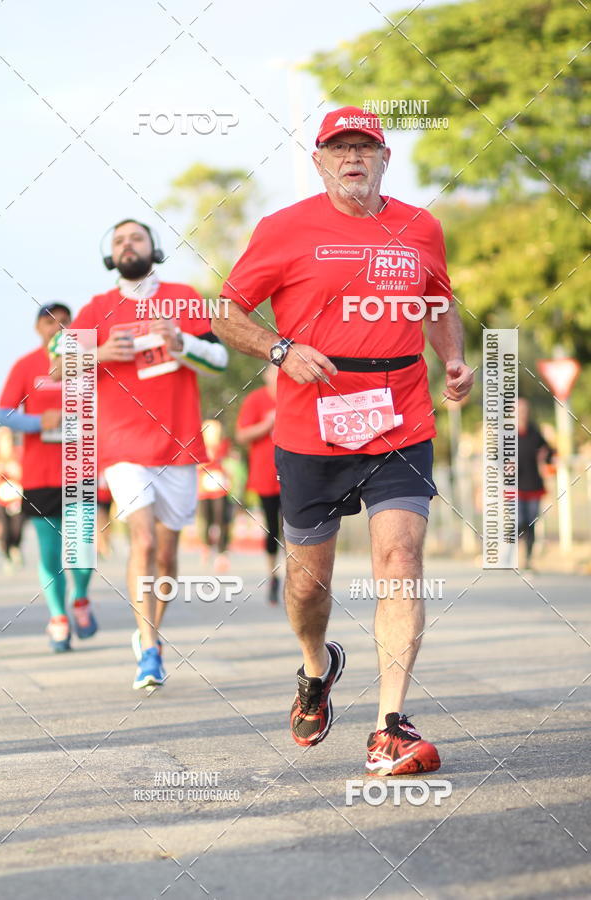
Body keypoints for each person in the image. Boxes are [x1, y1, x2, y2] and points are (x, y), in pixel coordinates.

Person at [214, 106, 474, 774]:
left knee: (400, 557)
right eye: (340, 147)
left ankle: (391, 724)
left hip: (401, 414)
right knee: (308, 588)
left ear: (386, 159)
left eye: (366, 147)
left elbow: (438, 302)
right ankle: (316, 665)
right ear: (320, 161)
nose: (353, 156)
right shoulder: (285, 228)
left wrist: (451, 358)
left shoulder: (421, 226)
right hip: (313, 421)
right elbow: (227, 313)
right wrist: (279, 349)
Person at [50, 219, 228, 689]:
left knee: (167, 558)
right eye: (119, 241)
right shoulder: (96, 309)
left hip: (179, 445)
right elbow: (58, 366)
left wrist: (181, 341)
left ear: (153, 248)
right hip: (124, 444)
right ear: (112, 256)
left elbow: (220, 360)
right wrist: (101, 351)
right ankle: (148, 650)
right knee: (144, 541)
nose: (128, 245)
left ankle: (152, 633)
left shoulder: (184, 297)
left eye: (137, 237)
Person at [0, 304, 97, 651]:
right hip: (40, 474)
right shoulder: (25, 365)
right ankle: (58, 617)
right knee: (50, 553)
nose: (58, 326)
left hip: (81, 468)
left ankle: (80, 598)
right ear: (38, 327)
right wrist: (41, 423)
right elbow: (4, 413)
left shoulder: (89, 361)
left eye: (65, 321)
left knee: (82, 550)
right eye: (49, 321)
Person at [236, 364, 281, 605]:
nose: (277, 375)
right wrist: (266, 424)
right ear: (265, 374)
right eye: (273, 371)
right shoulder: (255, 400)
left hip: (294, 474)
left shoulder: (294, 396)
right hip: (265, 474)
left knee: (297, 528)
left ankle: (298, 576)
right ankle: (273, 575)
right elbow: (241, 435)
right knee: (273, 528)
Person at [517, 397, 554, 571]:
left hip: (533, 484)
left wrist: (545, 456)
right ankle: (508, 551)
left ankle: (528, 559)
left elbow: (550, 451)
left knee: (531, 523)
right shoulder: (506, 434)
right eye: (519, 410)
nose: (523, 413)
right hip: (514, 486)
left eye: (525, 410)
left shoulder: (535, 431)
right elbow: (495, 457)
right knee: (519, 521)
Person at [197, 419, 232, 573]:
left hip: (219, 487)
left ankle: (221, 554)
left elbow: (226, 461)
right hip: (204, 488)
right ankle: (206, 546)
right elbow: (197, 464)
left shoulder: (223, 444)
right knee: (206, 520)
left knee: (221, 520)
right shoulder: (199, 446)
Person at [0, 427, 25, 573]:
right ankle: (7, 555)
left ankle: (15, 547)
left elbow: (24, 473)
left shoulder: (19, 454)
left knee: (17, 527)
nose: (7, 442)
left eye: (9, 439)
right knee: (3, 528)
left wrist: (15, 470)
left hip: (16, 498)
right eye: (4, 439)